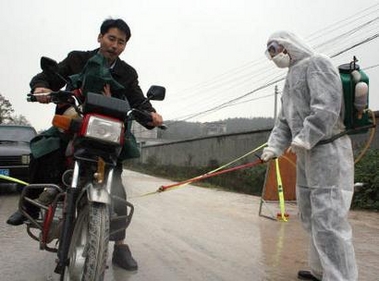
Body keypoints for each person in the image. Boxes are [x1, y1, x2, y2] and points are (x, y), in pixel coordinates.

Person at [6, 18, 163, 271]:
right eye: (111, 38)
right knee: (44, 149)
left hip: (109, 130)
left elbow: (137, 99)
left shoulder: (127, 73)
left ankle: (120, 245)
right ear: (100, 37)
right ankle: (31, 207)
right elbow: (48, 76)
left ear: (125, 46)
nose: (114, 45)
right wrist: (42, 88)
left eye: (120, 42)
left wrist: (152, 114)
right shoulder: (78, 59)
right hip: (76, 120)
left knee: (117, 185)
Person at [261, 31, 358, 281]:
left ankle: (340, 277)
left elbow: (327, 107)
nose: (273, 55)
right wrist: (274, 146)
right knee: (309, 214)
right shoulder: (291, 75)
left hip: (328, 149)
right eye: (269, 51)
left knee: (329, 219)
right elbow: (284, 120)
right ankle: (320, 270)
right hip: (306, 155)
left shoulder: (318, 63)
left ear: (289, 45)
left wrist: (306, 136)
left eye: (275, 48)